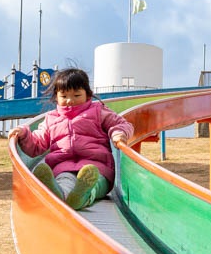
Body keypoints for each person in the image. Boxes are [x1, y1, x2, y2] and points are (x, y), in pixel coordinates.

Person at [9, 68, 134, 210]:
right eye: (64, 96)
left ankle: (83, 196)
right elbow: (37, 145)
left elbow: (121, 124)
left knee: (94, 183)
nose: (70, 100)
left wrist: (119, 133)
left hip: (97, 167)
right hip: (64, 166)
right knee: (65, 181)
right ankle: (61, 194)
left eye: (76, 95)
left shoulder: (98, 111)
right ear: (56, 96)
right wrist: (24, 134)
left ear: (87, 95)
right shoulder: (51, 119)